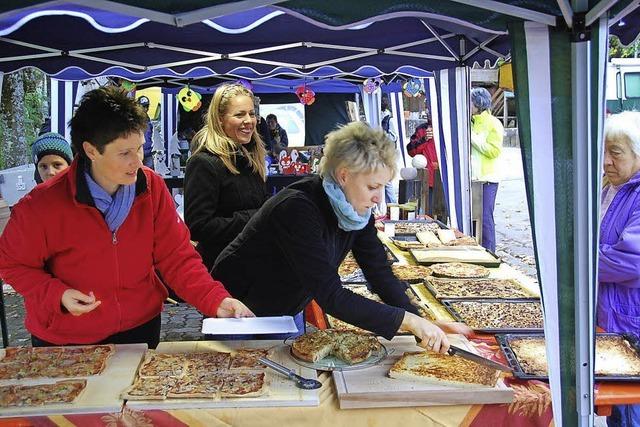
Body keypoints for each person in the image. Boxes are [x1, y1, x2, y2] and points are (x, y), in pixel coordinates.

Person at [0, 86, 253, 349]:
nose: (137, 161)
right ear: (91, 151)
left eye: (140, 148)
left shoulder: (151, 187)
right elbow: (13, 264)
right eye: (124, 153)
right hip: (66, 337)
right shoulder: (42, 204)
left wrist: (215, 299)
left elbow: (177, 258)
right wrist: (57, 294)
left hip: (138, 328)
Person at [214, 121, 462, 353]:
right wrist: (406, 321)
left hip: (284, 306)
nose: (378, 198)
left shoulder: (353, 209)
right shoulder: (298, 208)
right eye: (372, 187)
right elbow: (331, 296)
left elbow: (378, 271)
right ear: (344, 175)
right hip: (239, 312)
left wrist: (417, 318)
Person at [184, 83, 269, 271]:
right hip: (223, 271)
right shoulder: (203, 163)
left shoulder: (250, 158)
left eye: (252, 113)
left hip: (254, 265)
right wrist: (256, 217)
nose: (249, 121)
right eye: (240, 114)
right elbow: (198, 226)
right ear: (220, 119)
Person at [598, 111, 640, 427]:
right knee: (616, 409)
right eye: (605, 151)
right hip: (609, 316)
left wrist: (577, 262)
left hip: (630, 322)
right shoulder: (609, 188)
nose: (607, 162)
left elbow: (629, 260)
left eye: (616, 153)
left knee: (628, 410)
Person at [470, 87, 503, 252]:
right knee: (472, 217)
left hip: (488, 178)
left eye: (470, 102)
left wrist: (473, 139)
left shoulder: (493, 123)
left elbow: (494, 151)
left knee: (485, 219)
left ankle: (490, 252)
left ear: (478, 103)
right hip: (471, 178)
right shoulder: (470, 122)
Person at [407, 120, 439, 215]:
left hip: (444, 179)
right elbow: (411, 150)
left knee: (441, 213)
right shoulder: (421, 129)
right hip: (426, 178)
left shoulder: (448, 126)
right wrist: (424, 139)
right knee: (426, 211)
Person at [380, 96, 398, 204]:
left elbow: (394, 137)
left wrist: (382, 134)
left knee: (387, 180)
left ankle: (393, 203)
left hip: (387, 152)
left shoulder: (390, 119)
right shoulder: (379, 115)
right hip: (380, 152)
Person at [138, 95, 154, 169]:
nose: (145, 108)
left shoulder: (148, 120)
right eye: (143, 106)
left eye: (147, 106)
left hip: (148, 153)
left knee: (149, 175)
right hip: (138, 153)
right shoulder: (134, 120)